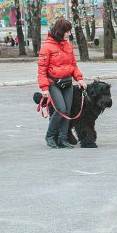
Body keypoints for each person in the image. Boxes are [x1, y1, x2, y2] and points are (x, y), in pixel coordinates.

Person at [37, 18, 88, 148]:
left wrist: (79, 78)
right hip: (53, 83)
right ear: (60, 31)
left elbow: (73, 65)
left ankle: (63, 139)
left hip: (67, 82)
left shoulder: (68, 45)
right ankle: (50, 136)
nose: (69, 34)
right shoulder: (47, 47)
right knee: (61, 109)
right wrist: (44, 88)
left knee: (67, 111)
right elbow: (42, 70)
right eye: (67, 31)